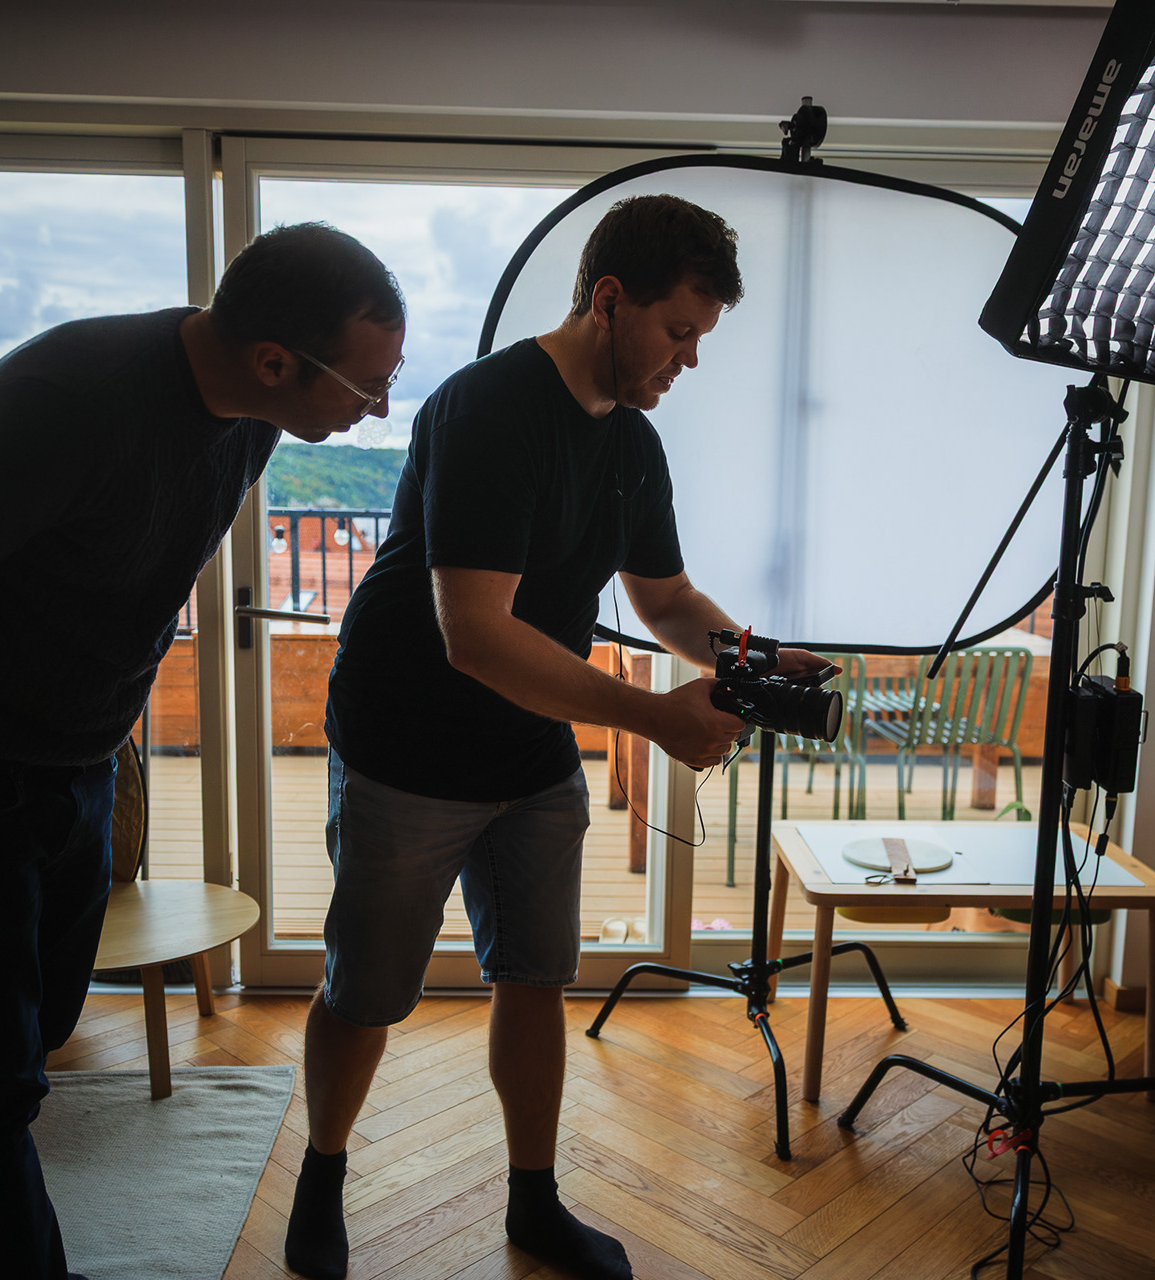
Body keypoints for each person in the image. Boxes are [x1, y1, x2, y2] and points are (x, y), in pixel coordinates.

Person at [0, 223, 406, 1280]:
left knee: (35, 1034)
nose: (381, 410)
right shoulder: (65, 402)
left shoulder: (253, 420)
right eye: (368, 386)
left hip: (78, 763)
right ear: (275, 361)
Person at [291, 195, 832, 1280]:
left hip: (531, 744)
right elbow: (476, 635)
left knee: (536, 975)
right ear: (609, 300)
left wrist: (754, 657)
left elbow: (665, 597)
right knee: (369, 989)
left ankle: (533, 1201)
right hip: (409, 739)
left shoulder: (632, 442)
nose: (688, 359)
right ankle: (321, 1174)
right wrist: (657, 716)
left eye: (700, 338)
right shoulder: (488, 409)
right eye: (678, 331)